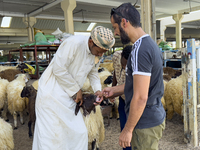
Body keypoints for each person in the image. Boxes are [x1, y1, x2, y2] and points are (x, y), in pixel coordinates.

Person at [32, 26, 115, 150]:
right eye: (100, 51)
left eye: (104, 52)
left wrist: (97, 90)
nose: (101, 54)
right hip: (51, 95)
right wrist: (76, 90)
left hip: (69, 98)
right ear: (91, 42)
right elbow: (58, 69)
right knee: (52, 138)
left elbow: (93, 72)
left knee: (79, 133)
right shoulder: (73, 44)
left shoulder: (95, 53)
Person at [103, 3, 166, 150]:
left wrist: (128, 129)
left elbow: (141, 97)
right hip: (152, 116)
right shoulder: (149, 44)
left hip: (144, 123)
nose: (115, 33)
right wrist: (114, 91)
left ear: (124, 22)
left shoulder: (140, 50)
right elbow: (141, 86)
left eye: (115, 27)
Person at [112, 45, 132, 150]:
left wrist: (114, 92)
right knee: (124, 127)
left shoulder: (135, 64)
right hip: (122, 98)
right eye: (123, 64)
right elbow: (115, 70)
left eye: (127, 66)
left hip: (133, 99)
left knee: (132, 128)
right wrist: (113, 88)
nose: (124, 68)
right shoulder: (116, 56)